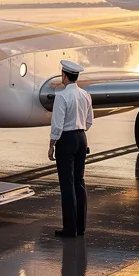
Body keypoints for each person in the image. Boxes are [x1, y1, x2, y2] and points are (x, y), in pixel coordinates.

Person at [49, 60, 93, 238]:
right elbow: (89, 121)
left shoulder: (61, 96)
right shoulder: (85, 95)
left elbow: (57, 125)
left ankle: (69, 228)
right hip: (81, 138)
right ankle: (81, 227)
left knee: (67, 185)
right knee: (79, 182)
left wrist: (52, 144)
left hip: (66, 140)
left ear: (64, 75)